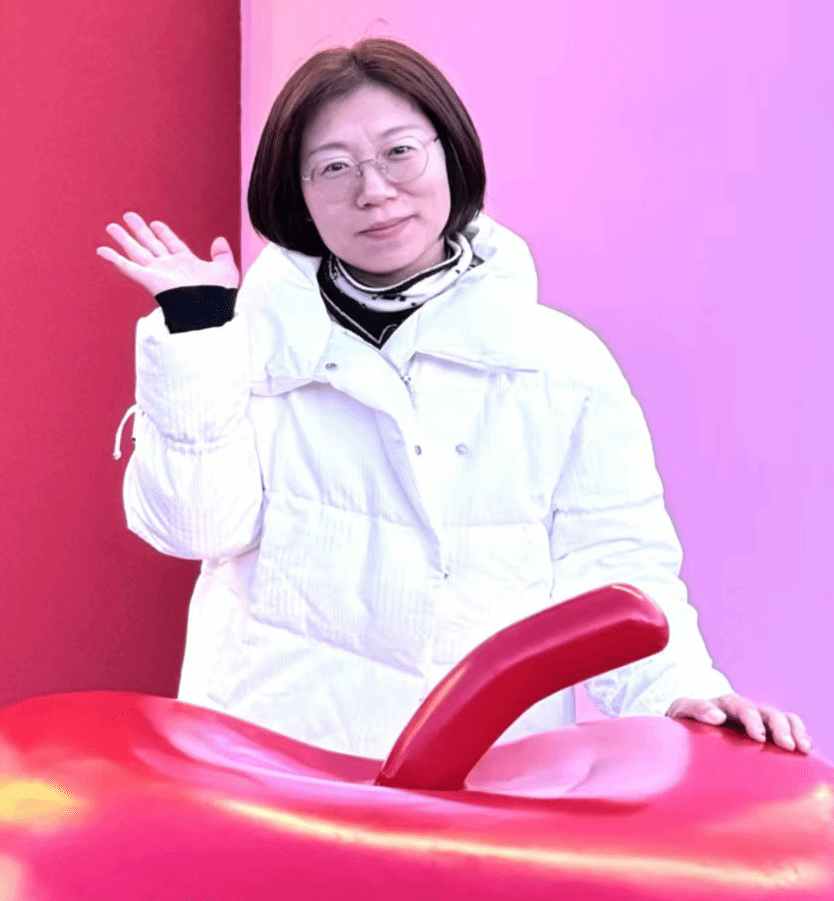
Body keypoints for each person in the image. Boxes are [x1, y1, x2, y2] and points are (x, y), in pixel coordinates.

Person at [97, 37, 811, 760]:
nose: (374, 190)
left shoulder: (560, 363)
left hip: (481, 769)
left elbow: (616, 565)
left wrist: (681, 689)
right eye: (334, 167)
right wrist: (197, 330)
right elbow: (195, 529)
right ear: (298, 195)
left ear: (450, 153)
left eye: (399, 152)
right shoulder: (240, 346)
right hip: (272, 765)